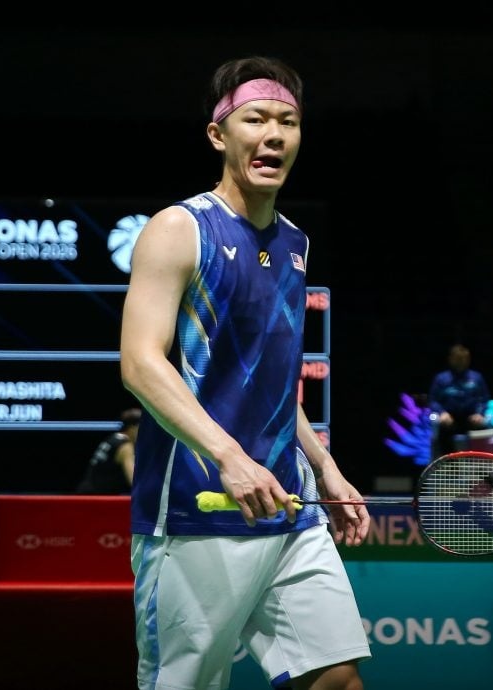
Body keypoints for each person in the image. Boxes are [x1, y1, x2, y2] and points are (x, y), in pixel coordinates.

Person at [119, 56, 371, 690]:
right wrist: (230, 457)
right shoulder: (180, 229)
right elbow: (140, 364)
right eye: (255, 119)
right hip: (197, 507)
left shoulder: (294, 244)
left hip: (289, 505)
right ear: (218, 134)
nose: (274, 134)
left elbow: (274, 384)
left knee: (336, 680)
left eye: (288, 121)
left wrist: (325, 466)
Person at [427, 343, 491, 457]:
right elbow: (433, 401)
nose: (462, 361)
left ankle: (480, 463)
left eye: (465, 358)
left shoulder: (477, 377)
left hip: (471, 418)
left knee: (483, 429)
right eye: (458, 358)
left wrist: (479, 414)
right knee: (442, 432)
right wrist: (442, 413)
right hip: (449, 418)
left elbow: (483, 399)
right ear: (451, 359)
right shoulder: (441, 378)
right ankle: (449, 464)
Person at [75, 407, 141, 494]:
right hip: (97, 497)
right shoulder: (125, 447)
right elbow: (133, 481)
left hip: (87, 493)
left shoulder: (112, 439)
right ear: (132, 427)